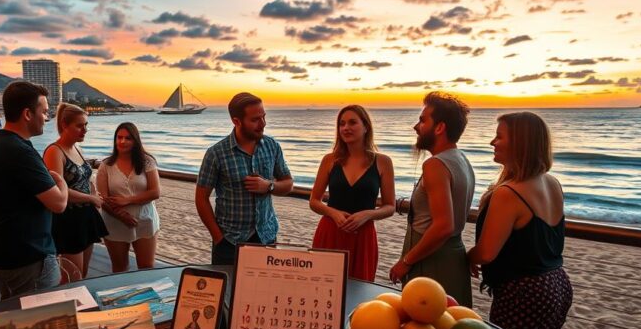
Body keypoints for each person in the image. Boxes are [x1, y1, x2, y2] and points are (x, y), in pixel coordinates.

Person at [467, 112, 572, 329]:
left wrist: (468, 256)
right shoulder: (551, 183)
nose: (492, 142)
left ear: (520, 143)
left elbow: (487, 252)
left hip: (524, 292)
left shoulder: (508, 193)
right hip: (556, 282)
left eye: (499, 137)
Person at [0, 81, 68, 299]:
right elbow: (58, 203)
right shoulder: (20, 152)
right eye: (44, 112)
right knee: (42, 322)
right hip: (29, 257)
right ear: (28, 113)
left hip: (3, 253)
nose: (47, 118)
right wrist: (62, 182)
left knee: (15, 320)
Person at [389, 92, 476, 307]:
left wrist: (405, 261)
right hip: (452, 256)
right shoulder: (462, 159)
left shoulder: (435, 165)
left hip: (431, 261)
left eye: (422, 120)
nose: (416, 127)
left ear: (440, 128)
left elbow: (443, 226)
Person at [196, 93, 293, 266]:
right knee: (229, 291)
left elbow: (288, 184)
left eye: (263, 117)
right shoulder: (216, 153)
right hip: (230, 243)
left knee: (265, 290)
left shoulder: (272, 146)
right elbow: (201, 198)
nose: (263, 123)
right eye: (255, 119)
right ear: (236, 121)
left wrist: (268, 186)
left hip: (266, 237)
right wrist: (218, 237)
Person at [309, 105, 395, 281]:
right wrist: (333, 213)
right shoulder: (329, 160)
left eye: (352, 122)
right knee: (323, 286)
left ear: (366, 127)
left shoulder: (383, 162)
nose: (346, 128)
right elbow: (314, 201)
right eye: (342, 124)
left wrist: (367, 214)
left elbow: (390, 206)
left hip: (362, 236)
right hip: (331, 232)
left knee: (359, 290)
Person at [43, 103, 107, 282]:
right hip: (68, 219)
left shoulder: (77, 149)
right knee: (72, 277)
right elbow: (57, 189)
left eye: (86, 125)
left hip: (85, 216)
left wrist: (94, 194)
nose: (84, 130)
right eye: (79, 125)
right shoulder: (54, 152)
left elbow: (85, 178)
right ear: (64, 125)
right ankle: (67, 308)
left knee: (83, 273)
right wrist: (91, 198)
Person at [97, 122, 161, 273]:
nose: (122, 141)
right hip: (114, 222)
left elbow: (155, 192)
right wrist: (121, 215)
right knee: (119, 269)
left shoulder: (147, 161)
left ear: (135, 141)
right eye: (119, 137)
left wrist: (127, 200)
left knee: (146, 267)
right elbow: (102, 198)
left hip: (145, 219)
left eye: (128, 138)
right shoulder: (106, 165)